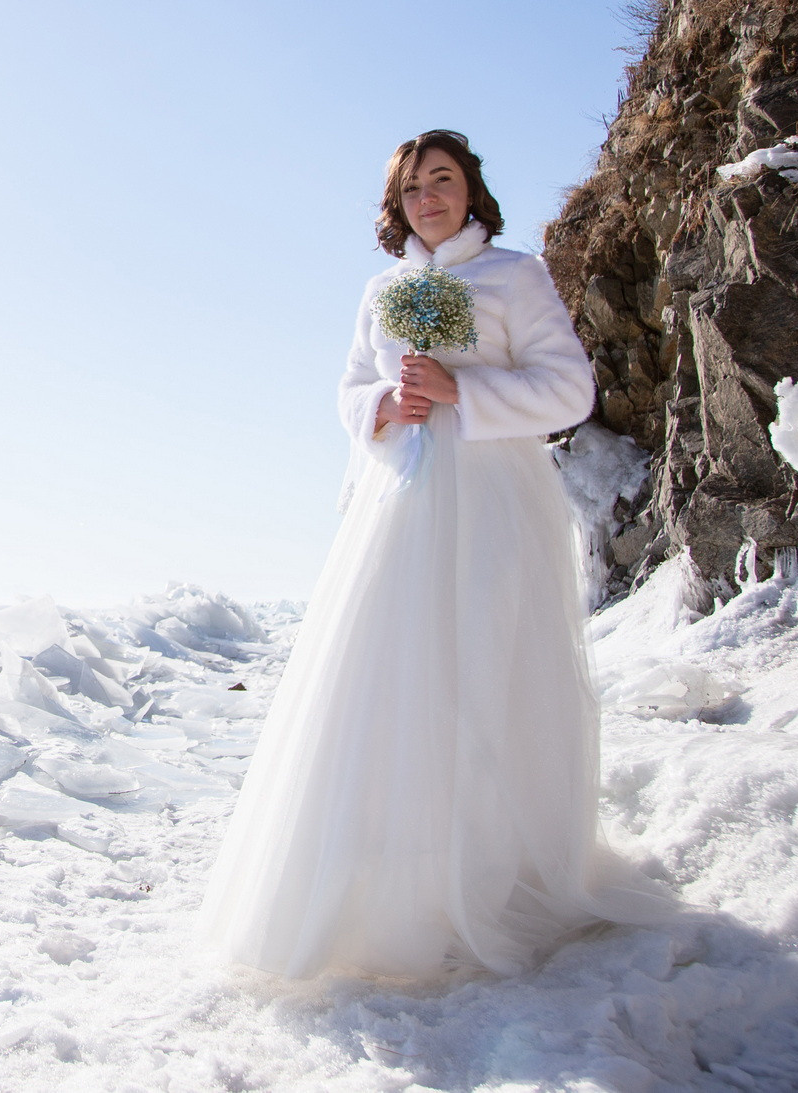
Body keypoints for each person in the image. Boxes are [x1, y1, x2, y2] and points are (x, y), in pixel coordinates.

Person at [198, 129, 665, 980]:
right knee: (389, 678)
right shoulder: (381, 291)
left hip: (495, 502)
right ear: (398, 204)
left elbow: (569, 389)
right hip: (401, 504)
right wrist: (383, 404)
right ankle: (389, 886)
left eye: (441, 179)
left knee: (487, 671)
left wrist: (464, 390)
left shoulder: (515, 275)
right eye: (412, 188)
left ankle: (493, 874)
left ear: (471, 189)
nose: (428, 198)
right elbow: (349, 388)